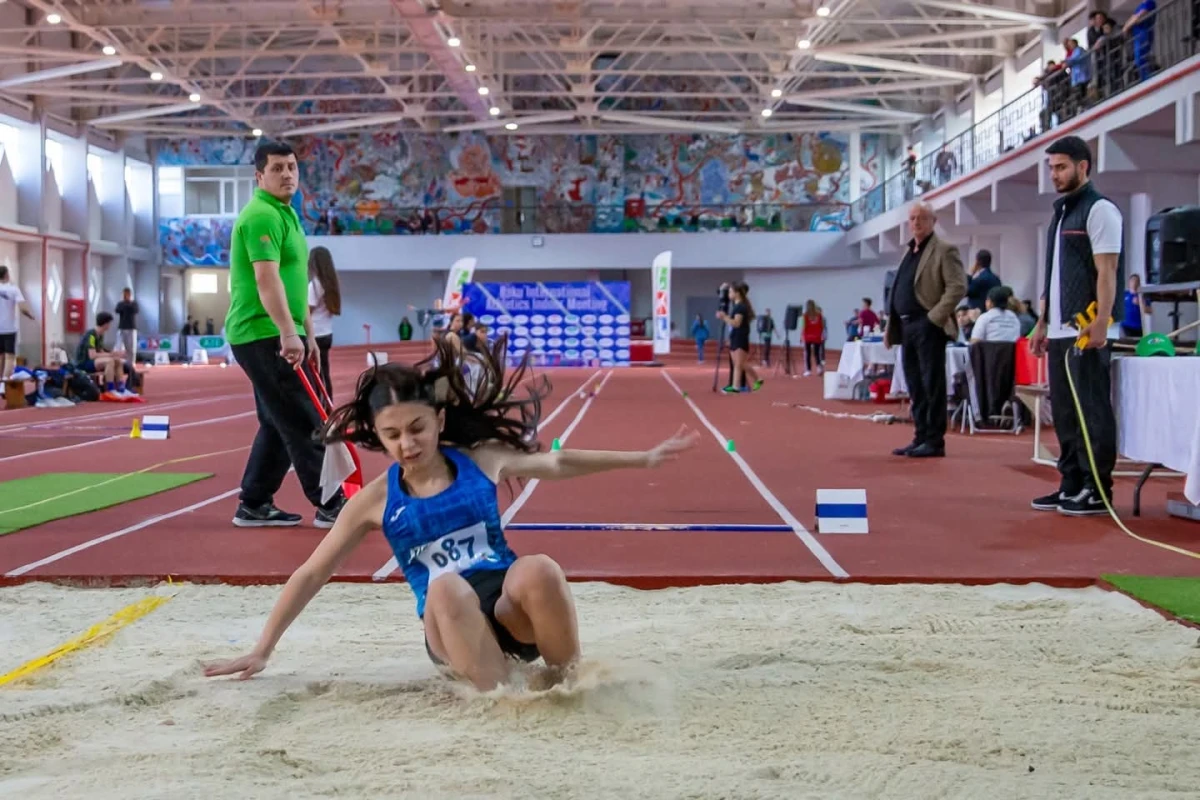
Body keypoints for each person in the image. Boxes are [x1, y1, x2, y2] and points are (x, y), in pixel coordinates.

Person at [202, 335, 700, 691]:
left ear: (439, 420)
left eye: (417, 428)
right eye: (392, 435)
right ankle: (501, 697)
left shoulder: (479, 460)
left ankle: (569, 683)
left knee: (539, 568)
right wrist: (262, 648)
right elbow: (312, 572)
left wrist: (643, 458)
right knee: (444, 585)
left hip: (511, 613)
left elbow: (557, 461)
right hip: (450, 625)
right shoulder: (374, 501)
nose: (407, 443)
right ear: (378, 436)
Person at [225, 140, 345, 530]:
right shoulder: (261, 215)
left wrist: (307, 332)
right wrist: (286, 333)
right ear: (259, 176)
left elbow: (296, 284)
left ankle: (255, 502)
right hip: (262, 332)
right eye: (277, 168)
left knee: (277, 421)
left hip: (279, 330)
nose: (287, 174)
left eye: (291, 167)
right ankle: (331, 504)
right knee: (301, 416)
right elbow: (266, 279)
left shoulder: (288, 215)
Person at [1029, 135, 1123, 516]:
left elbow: (1108, 270)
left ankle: (1097, 490)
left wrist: (1101, 321)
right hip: (1058, 330)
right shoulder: (1061, 213)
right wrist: (1041, 323)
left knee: (1091, 412)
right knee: (1066, 414)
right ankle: (1070, 484)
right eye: (1051, 167)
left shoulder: (1100, 211)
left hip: (1087, 331)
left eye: (1062, 167)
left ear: (1083, 166)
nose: (1054, 174)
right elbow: (1053, 276)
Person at [884, 201, 967, 458]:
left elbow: (957, 287)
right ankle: (920, 435)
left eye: (921, 218)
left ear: (934, 221)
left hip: (928, 325)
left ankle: (934, 441)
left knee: (932, 384)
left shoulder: (944, 250)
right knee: (914, 384)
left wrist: (933, 318)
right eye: (912, 218)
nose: (916, 223)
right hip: (906, 326)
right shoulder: (909, 252)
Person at [76, 311, 137, 400]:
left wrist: (116, 354)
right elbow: (92, 355)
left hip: (93, 362)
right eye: (109, 323)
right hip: (84, 362)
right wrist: (110, 355)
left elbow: (101, 351)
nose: (109, 326)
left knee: (117, 360)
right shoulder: (91, 335)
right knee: (110, 361)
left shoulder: (100, 335)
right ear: (105, 324)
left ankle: (121, 389)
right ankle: (110, 390)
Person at [716, 281, 762, 393]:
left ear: (737, 293)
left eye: (731, 291)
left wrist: (724, 317)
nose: (729, 294)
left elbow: (737, 323)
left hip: (740, 337)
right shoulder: (737, 306)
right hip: (735, 336)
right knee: (740, 364)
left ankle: (736, 387)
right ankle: (757, 379)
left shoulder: (740, 307)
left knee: (739, 364)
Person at [307, 246, 341, 397]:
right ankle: (328, 408)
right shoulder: (331, 284)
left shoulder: (314, 286)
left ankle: (321, 410)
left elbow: (306, 313)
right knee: (324, 374)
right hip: (327, 333)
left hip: (315, 335)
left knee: (315, 376)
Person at [0, 265, 34, 380]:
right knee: (9, 357)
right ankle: (4, 383)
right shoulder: (13, 289)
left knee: (0, 357)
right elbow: (22, 308)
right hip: (9, 328)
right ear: (6, 275)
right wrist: (30, 315)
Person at [114, 287, 139, 360]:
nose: (126, 295)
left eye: (128, 294)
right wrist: (125, 303)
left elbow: (135, 310)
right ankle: (119, 362)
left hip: (131, 327)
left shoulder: (134, 303)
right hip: (122, 327)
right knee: (119, 346)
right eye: (125, 294)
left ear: (130, 294)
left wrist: (128, 303)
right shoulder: (120, 303)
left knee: (131, 348)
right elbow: (117, 310)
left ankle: (131, 364)